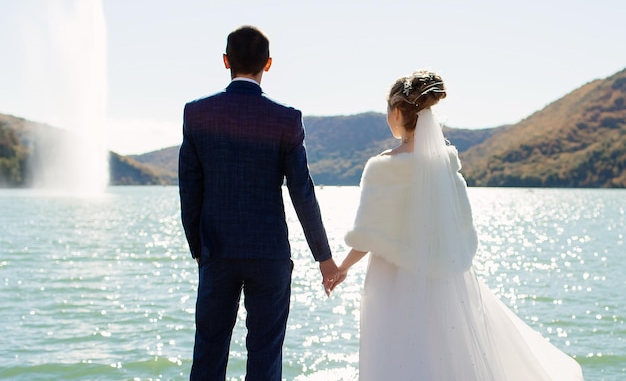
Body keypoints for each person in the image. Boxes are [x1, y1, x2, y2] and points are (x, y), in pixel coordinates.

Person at [332, 70, 585, 380]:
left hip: (392, 278)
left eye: (388, 109)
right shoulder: (445, 165)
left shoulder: (383, 166)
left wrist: (341, 267)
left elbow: (368, 233)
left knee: (396, 349)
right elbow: (461, 224)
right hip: (441, 274)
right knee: (439, 350)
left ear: (397, 112)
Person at [178, 25, 339, 381]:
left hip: (216, 253)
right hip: (269, 256)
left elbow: (189, 189)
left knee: (208, 352)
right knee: (265, 356)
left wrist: (199, 248)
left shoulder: (197, 114)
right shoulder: (286, 119)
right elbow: (302, 191)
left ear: (225, 62)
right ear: (268, 64)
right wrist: (324, 258)